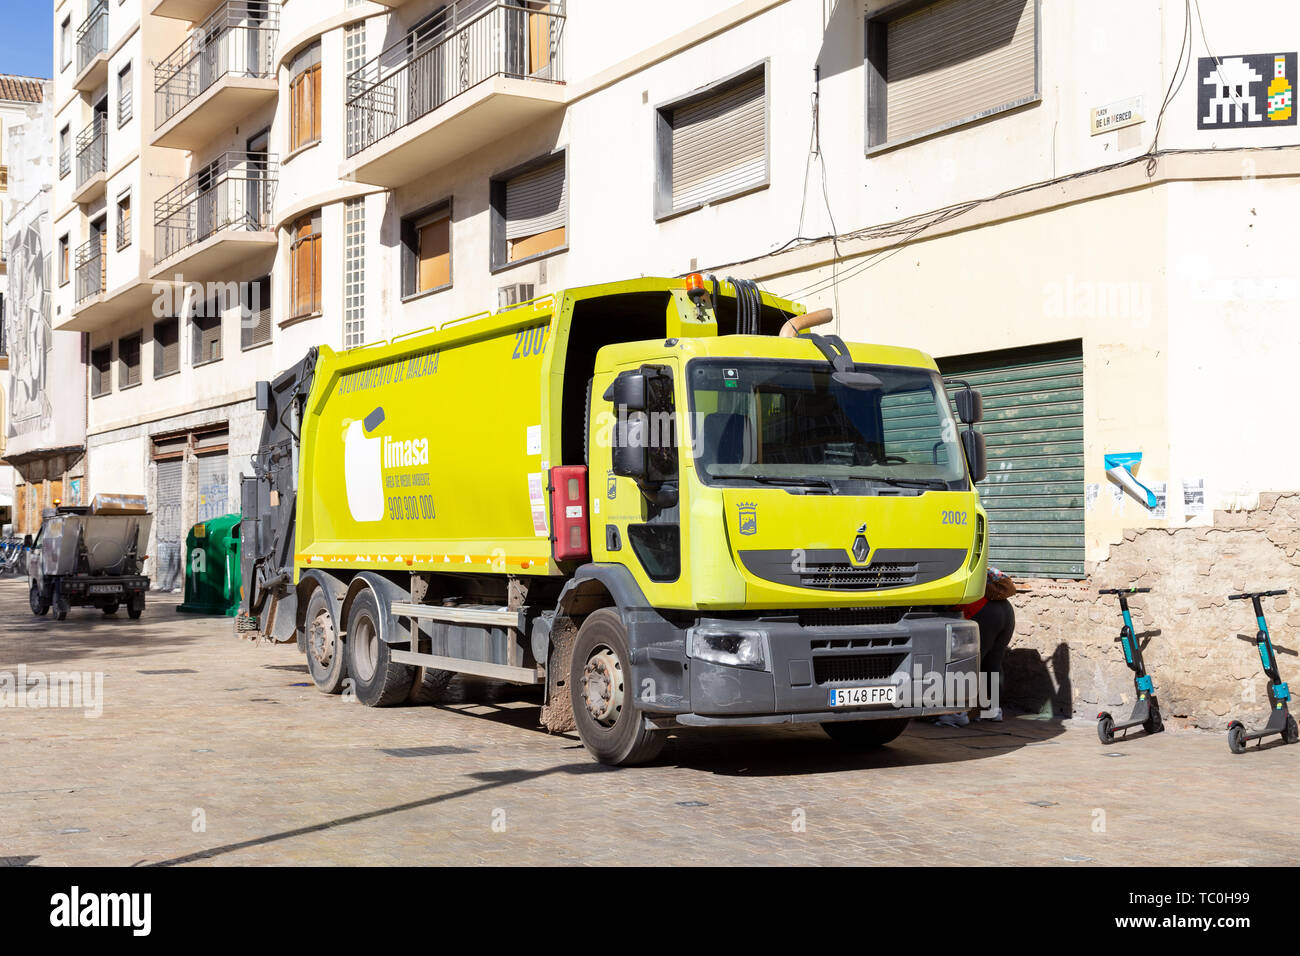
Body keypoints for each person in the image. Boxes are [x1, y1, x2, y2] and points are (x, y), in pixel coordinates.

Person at [935, 567, 1016, 726]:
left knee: (966, 662)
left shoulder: (946, 566)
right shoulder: (976, 562)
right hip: (1006, 611)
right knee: (993, 663)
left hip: (983, 612)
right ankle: (992, 711)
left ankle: (957, 712)